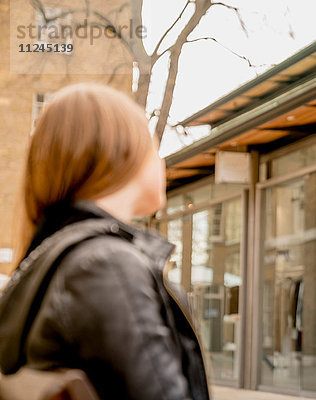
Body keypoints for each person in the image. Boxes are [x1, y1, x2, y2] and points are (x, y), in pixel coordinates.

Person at [0, 83, 210, 399]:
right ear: (118, 152)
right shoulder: (107, 265)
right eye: (151, 144)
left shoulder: (52, 258)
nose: (161, 160)